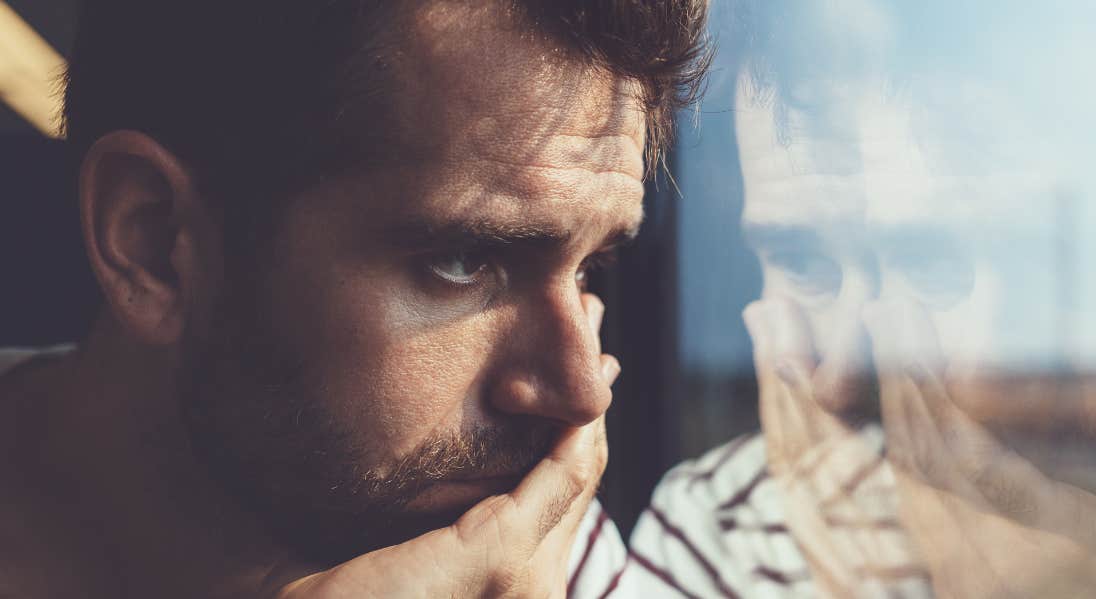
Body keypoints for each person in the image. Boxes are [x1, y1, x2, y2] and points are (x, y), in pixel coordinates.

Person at [0, 1, 711, 597]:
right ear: (155, 244)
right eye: (465, 260)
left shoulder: (532, 556)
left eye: (591, 267)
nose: (583, 391)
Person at [626, 2, 1096, 597]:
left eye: (928, 265)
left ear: (1043, 290)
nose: (840, 377)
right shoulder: (714, 534)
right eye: (801, 264)